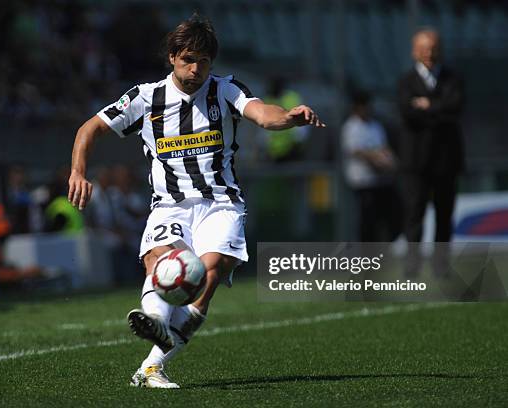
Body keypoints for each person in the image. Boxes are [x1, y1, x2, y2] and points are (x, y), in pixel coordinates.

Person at [68, 15, 324, 388]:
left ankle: (153, 365)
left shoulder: (226, 90)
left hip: (220, 202)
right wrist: (78, 171)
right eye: (188, 59)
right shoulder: (146, 97)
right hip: (169, 205)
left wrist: (288, 118)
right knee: (159, 261)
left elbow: (263, 115)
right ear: (172, 57)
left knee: (206, 273)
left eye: (203, 61)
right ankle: (155, 322)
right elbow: (89, 128)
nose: (196, 68)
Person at [397, 28, 464, 276]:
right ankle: (412, 265)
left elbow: (455, 108)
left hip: (447, 160)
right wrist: (439, 109)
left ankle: (441, 264)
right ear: (415, 51)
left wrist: (427, 106)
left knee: (445, 215)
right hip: (416, 162)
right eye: (424, 48)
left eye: (433, 48)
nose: (429, 53)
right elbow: (408, 113)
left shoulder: (452, 79)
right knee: (414, 214)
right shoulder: (405, 82)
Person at [341, 90, 401, 242]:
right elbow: (357, 151)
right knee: (366, 222)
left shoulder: (375, 126)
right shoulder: (351, 127)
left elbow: (383, 147)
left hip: (380, 181)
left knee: (388, 217)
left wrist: (390, 161)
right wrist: (377, 159)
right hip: (362, 181)